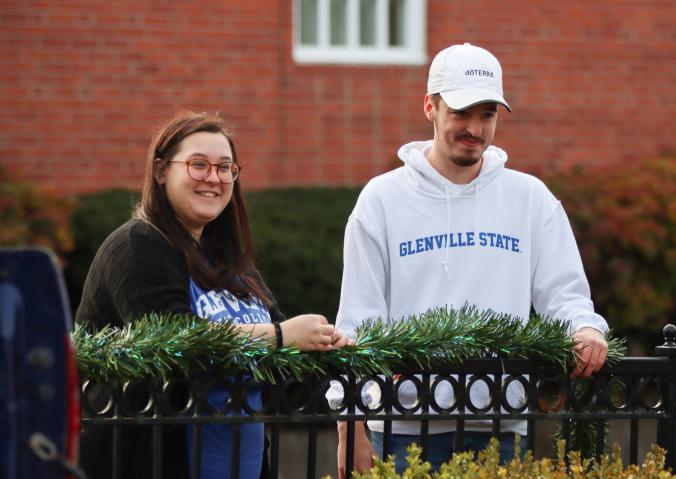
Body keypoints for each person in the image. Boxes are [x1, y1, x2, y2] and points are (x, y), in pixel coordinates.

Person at [333, 43, 609, 477]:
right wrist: (350, 429)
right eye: (462, 112)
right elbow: (358, 322)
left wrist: (587, 329)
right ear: (430, 106)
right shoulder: (381, 200)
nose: (475, 128)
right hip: (404, 431)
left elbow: (565, 295)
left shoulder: (530, 199)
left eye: (488, 114)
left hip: (502, 426)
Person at [76, 111, 352, 479]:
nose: (214, 178)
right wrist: (283, 336)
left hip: (242, 463)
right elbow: (172, 340)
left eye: (225, 168)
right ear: (161, 171)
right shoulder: (136, 246)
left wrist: (322, 346)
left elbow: (279, 369)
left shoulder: (231, 262)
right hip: (154, 463)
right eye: (198, 165)